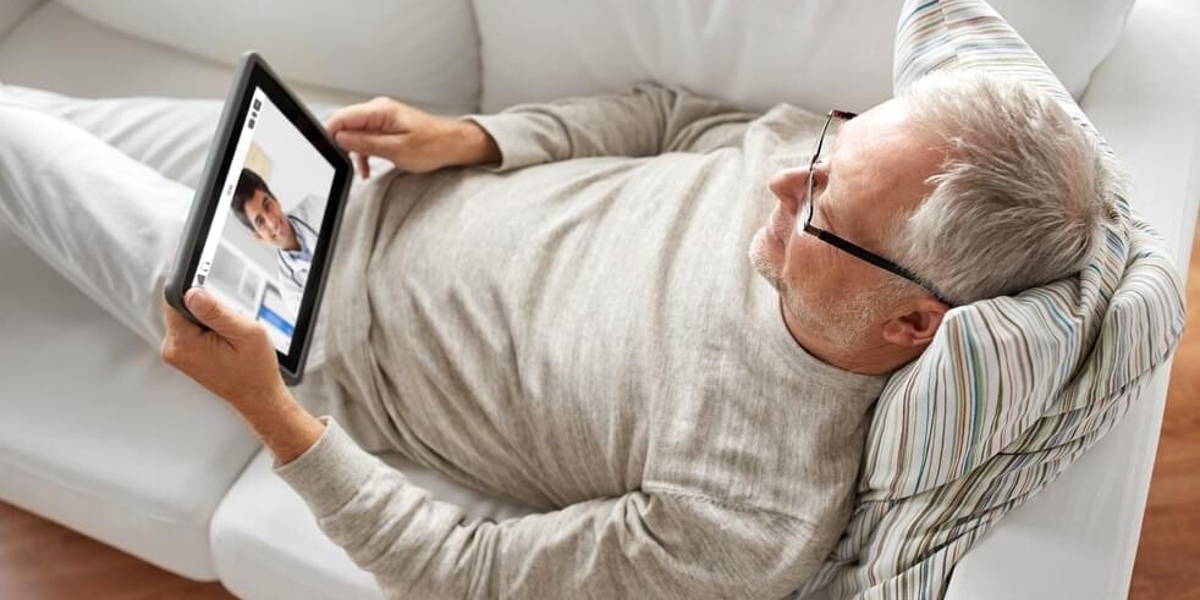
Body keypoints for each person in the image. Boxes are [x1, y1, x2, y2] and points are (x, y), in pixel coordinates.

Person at [0, 1, 1113, 597]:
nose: (786, 179)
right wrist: (472, 138)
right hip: (347, 186)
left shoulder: (750, 520)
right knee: (32, 113)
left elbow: (467, 577)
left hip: (308, 326)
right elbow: (670, 116)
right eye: (829, 147)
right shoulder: (820, 160)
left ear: (911, 321)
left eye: (825, 209)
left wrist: (268, 411)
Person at [229, 167, 320, 313]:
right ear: (258, 236)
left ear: (276, 200)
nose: (272, 222)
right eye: (260, 222)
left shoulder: (315, 206)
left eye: (267, 205)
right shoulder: (290, 291)